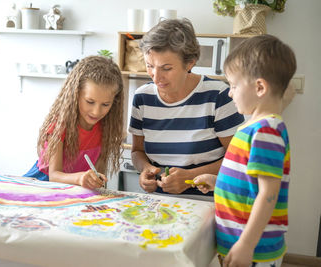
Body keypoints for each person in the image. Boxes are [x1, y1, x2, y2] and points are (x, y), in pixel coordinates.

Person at [193, 34, 296, 266]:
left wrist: (247, 244)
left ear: (259, 87)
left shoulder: (266, 131)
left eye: (233, 85)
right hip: (238, 242)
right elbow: (248, 181)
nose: (230, 93)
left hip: (254, 249)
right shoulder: (253, 128)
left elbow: (268, 194)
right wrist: (217, 181)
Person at [128, 18, 244, 197]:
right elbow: (137, 151)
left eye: (166, 68)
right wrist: (145, 170)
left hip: (207, 201)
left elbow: (239, 158)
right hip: (157, 201)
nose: (156, 77)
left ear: (190, 63)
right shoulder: (142, 98)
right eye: (150, 66)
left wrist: (189, 176)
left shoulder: (218, 96)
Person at [24, 56, 124, 190]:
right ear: (75, 94)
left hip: (75, 191)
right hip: (42, 185)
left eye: (105, 104)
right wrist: (80, 179)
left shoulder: (106, 127)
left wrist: (96, 181)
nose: (96, 112)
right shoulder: (59, 125)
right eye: (90, 102)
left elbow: (98, 173)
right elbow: (54, 176)